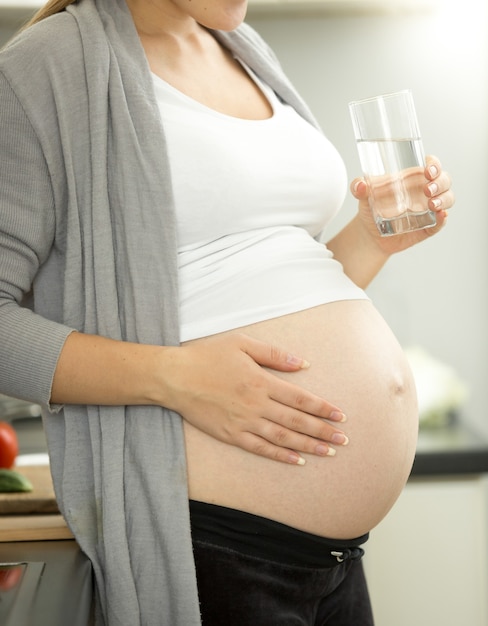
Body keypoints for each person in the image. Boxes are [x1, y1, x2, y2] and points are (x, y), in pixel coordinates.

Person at [0, 0, 454, 623]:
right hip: (218, 547)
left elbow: (271, 285)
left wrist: (373, 238)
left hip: (335, 562)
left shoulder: (241, 47)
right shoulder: (47, 68)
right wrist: (176, 379)